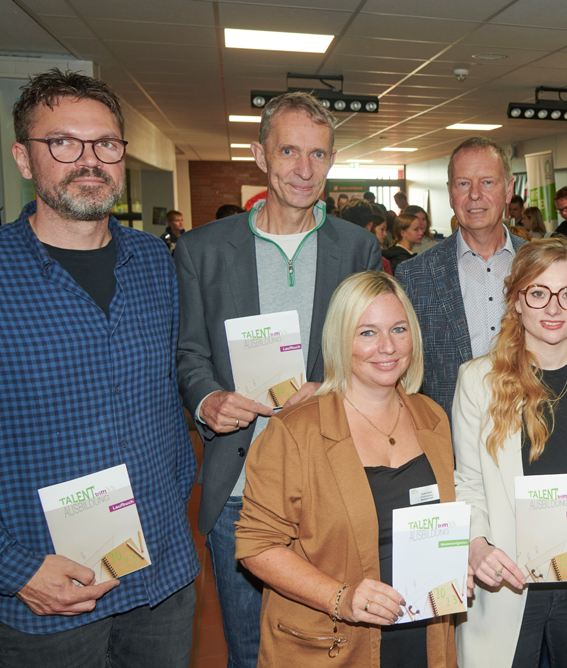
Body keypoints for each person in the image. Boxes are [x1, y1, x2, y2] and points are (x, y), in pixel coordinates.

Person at [0, 68, 200, 665]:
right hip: (45, 593)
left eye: (106, 144)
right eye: (63, 142)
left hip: (161, 578)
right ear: (24, 158)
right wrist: (15, 568)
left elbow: (172, 389)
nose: (90, 160)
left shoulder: (155, 265)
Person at [175, 91, 382, 668]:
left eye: (318, 154)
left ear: (332, 161)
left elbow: (369, 351)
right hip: (242, 485)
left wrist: (336, 385)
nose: (304, 169)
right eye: (289, 150)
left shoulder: (357, 248)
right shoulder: (203, 251)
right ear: (260, 154)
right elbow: (189, 350)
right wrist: (207, 397)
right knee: (249, 651)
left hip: (329, 483)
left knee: (332, 645)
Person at [235, 271, 457, 668]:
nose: (387, 347)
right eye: (367, 333)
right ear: (341, 339)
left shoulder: (432, 417)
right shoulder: (296, 430)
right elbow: (257, 546)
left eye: (398, 329)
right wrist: (342, 598)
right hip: (333, 644)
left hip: (423, 637)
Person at [452, 238, 567, 668]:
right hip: (505, 582)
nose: (553, 308)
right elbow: (469, 484)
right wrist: (476, 545)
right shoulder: (477, 381)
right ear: (517, 301)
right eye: (538, 293)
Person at [395, 137, 528, 417]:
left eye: (488, 182)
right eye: (463, 183)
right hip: (448, 440)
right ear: (451, 193)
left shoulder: (543, 265)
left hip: (533, 429)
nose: (475, 195)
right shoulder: (414, 276)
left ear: (508, 189)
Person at [339, 198, 392, 274]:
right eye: (382, 229)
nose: (385, 234)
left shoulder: (330, 255)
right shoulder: (379, 262)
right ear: (370, 225)